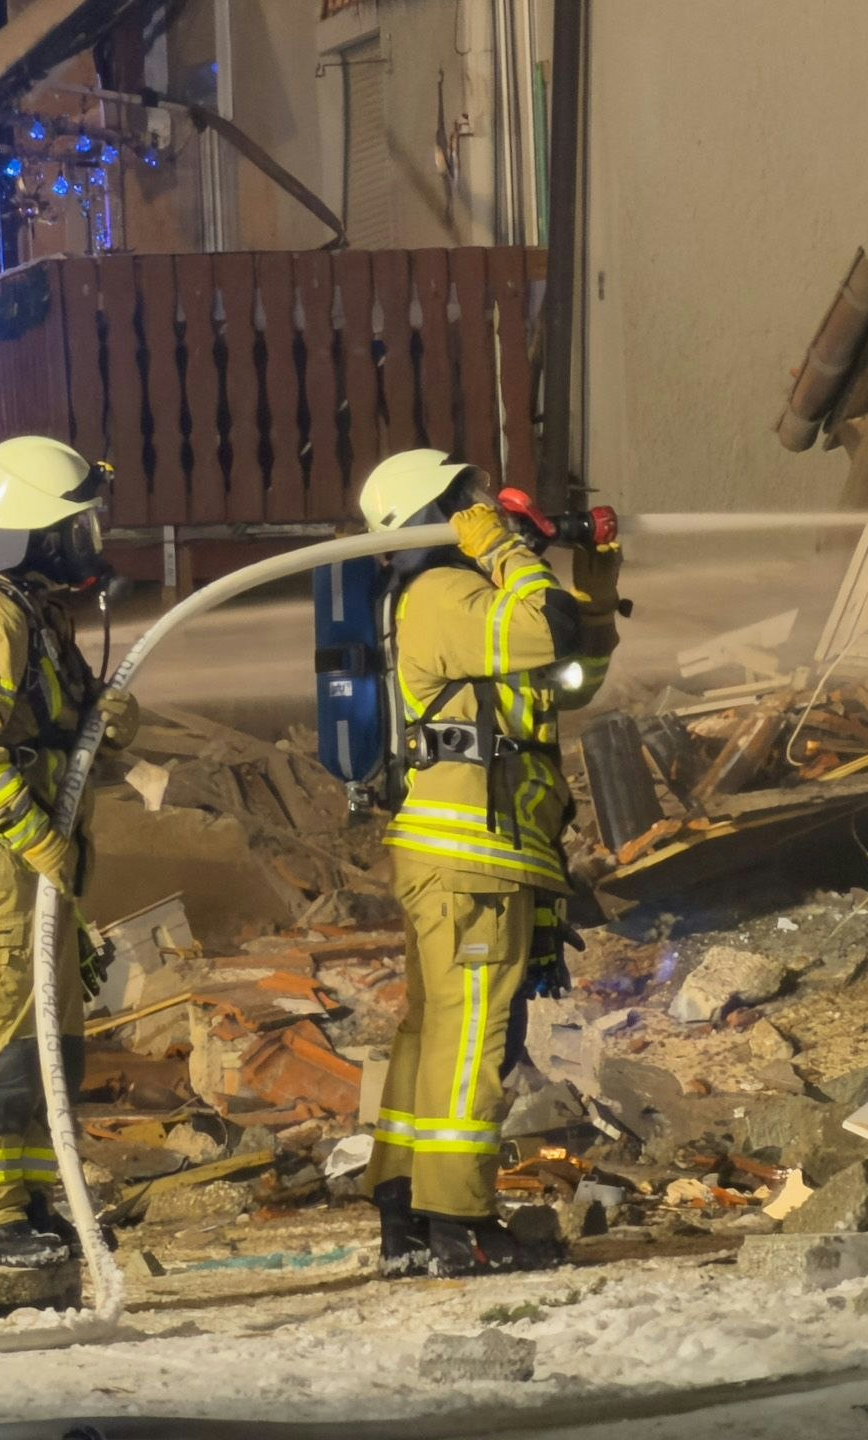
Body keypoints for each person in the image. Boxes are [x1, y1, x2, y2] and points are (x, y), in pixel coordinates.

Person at [354, 449, 621, 1276]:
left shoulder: (472, 601)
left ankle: (407, 1210)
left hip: (479, 854)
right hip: (470, 857)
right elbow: (543, 627)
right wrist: (507, 550)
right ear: (433, 516)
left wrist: (594, 582)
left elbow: (570, 676)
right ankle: (458, 1222)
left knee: (439, 1034)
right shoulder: (444, 595)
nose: (486, 508)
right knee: (473, 1039)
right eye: (467, 500)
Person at [0, 435, 137, 1267]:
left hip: (24, 861)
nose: (88, 542)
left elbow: (58, 731)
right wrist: (45, 843)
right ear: (32, 535)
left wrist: (109, 722)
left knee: (47, 1040)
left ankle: (33, 1200)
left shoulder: (30, 614)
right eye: (75, 528)